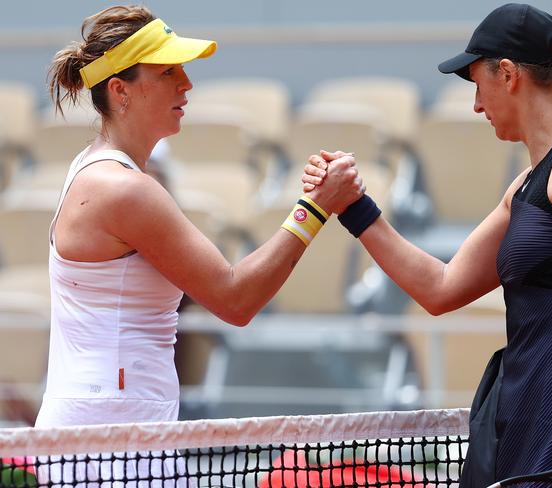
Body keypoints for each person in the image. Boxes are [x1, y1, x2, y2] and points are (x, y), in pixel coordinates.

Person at [303, 3, 552, 488]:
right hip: (531, 430)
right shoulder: (528, 183)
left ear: (507, 74)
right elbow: (441, 288)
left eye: (475, 83)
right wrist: (354, 206)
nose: (475, 105)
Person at [37, 4, 363, 430]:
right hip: (111, 434)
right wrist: (316, 208)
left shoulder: (100, 170)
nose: (186, 84)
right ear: (121, 91)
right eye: (167, 73)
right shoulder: (125, 189)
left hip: (113, 425)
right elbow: (235, 299)